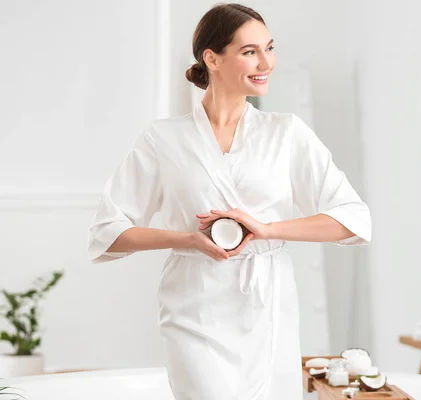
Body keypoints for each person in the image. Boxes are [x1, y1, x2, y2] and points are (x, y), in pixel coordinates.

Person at [87, 3, 371, 399]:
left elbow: (353, 218)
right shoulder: (163, 138)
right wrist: (187, 239)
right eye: (250, 51)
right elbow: (108, 231)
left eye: (269, 48)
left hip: (267, 301)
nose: (266, 61)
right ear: (212, 58)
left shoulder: (286, 132)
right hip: (192, 305)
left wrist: (268, 229)